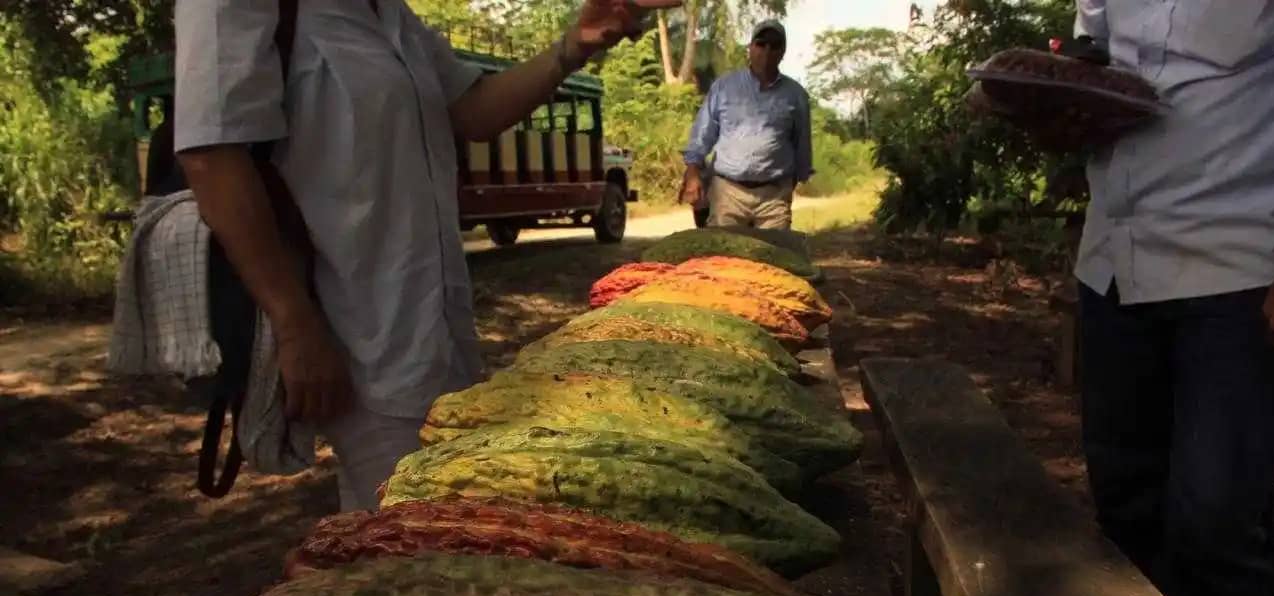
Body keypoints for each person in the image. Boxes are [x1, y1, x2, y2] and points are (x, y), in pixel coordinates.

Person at [174, 0, 662, 512]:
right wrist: (295, 324)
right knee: (407, 534)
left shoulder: (386, 12)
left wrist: (574, 45)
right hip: (354, 335)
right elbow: (211, 155)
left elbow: (473, 109)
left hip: (435, 327)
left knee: (448, 526)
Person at [1072, 0, 1274, 596]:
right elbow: (1091, 59)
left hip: (1236, 265)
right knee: (1124, 508)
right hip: (1112, 263)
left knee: (1215, 530)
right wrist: (1054, 100)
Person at [678, 20, 813, 230]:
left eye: (775, 45)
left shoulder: (795, 95)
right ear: (750, 48)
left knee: (773, 258)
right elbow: (702, 135)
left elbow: (801, 144)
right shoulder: (724, 87)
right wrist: (693, 174)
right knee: (724, 259)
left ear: (783, 51)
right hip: (727, 193)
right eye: (761, 44)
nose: (767, 51)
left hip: (774, 197)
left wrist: (789, 185)